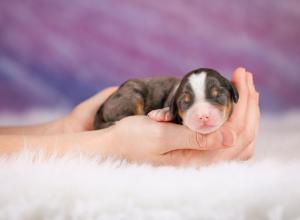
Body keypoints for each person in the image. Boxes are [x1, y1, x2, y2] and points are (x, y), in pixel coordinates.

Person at [0, 67, 260, 166]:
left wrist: (70, 127)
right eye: (188, 104)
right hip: (135, 96)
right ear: (176, 106)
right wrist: (111, 142)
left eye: (216, 98)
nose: (203, 115)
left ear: (231, 96)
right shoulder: (170, 103)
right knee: (133, 95)